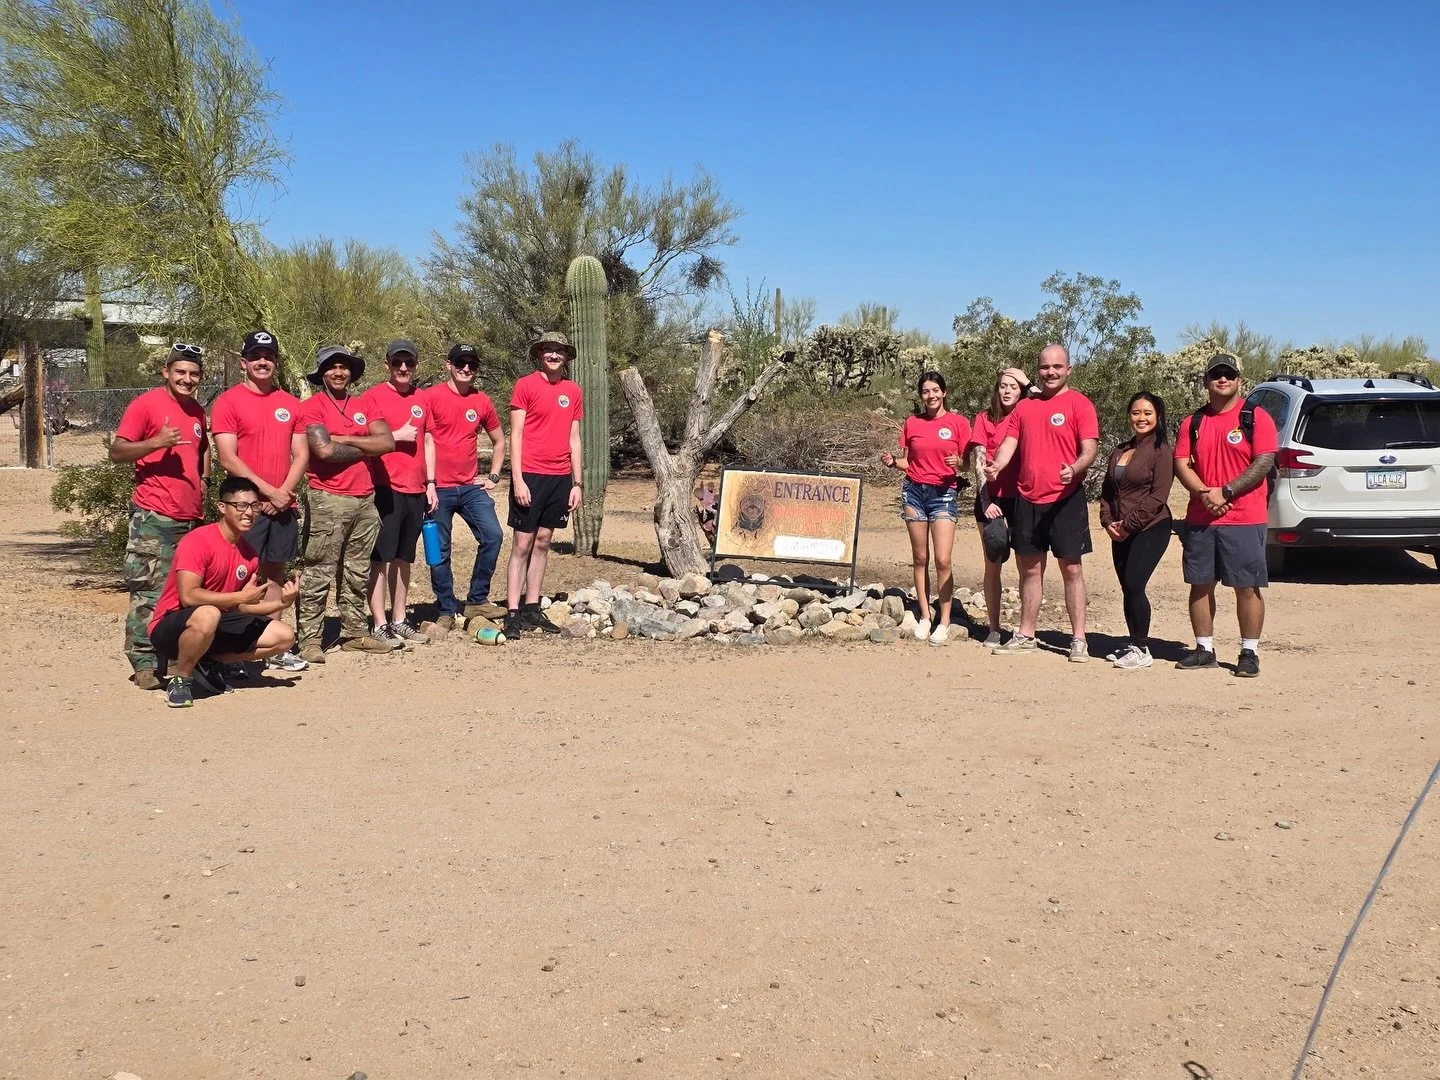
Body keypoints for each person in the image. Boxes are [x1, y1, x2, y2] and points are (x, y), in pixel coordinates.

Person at [985, 343, 1100, 661]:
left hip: (1065, 501)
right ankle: (1026, 634)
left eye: (1057, 367)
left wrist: (1075, 467)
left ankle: (1078, 639)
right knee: (1030, 570)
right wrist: (997, 465)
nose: (1051, 372)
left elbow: (1089, 448)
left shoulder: (1080, 404)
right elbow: (1009, 442)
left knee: (1072, 570)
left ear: (1068, 369)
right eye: (1045, 367)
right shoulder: (1025, 407)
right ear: (1038, 370)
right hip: (1027, 498)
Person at [148, 476, 300, 707]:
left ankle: (207, 661)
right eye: (240, 506)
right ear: (222, 507)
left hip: (214, 622)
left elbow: (242, 606)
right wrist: (239, 597)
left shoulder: (249, 553)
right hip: (172, 625)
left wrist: (282, 603)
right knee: (208, 613)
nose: (248, 513)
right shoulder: (198, 541)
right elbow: (189, 596)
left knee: (284, 636)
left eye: (254, 506)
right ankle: (181, 678)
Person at [209, 329, 309, 672]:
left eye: (268, 356)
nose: (261, 362)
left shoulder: (291, 404)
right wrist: (268, 492)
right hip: (244, 505)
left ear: (276, 362)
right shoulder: (228, 402)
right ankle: (235, 646)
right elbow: (228, 458)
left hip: (282, 505)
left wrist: (283, 494)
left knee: (275, 573)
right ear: (244, 362)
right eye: (255, 356)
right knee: (238, 575)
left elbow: (301, 454)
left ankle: (273, 646)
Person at [110, 344, 209, 690]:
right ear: (165, 371)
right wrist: (156, 443)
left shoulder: (197, 411)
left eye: (194, 374)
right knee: (149, 590)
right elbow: (118, 451)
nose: (187, 379)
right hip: (155, 517)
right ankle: (145, 663)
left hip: (189, 518)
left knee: (183, 593)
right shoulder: (146, 405)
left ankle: (175, 655)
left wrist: (205, 480)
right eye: (180, 372)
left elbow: (203, 447)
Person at [1172, 353, 1277, 678]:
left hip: (1244, 518)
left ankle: (1249, 652)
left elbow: (1263, 462)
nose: (1222, 379)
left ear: (1238, 379)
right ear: (1206, 380)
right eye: (1216, 374)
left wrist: (1226, 492)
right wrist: (1205, 494)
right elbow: (1180, 463)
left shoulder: (1256, 417)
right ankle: (1204, 648)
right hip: (1202, 518)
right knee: (1200, 584)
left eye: (1228, 374)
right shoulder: (1193, 422)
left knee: (1246, 586)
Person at [294, 346, 397, 662]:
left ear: (352, 372)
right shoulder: (312, 407)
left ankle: (355, 632)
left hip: (365, 500)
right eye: (331, 367)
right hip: (327, 499)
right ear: (321, 373)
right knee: (319, 570)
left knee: (357, 571)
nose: (338, 373)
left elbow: (388, 442)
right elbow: (323, 452)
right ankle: (309, 639)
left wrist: (345, 439)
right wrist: (367, 446)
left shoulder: (366, 404)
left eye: (344, 367)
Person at [880, 371, 970, 644]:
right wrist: (893, 461)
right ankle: (924, 616)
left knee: (943, 560)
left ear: (944, 392)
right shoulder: (912, 423)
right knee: (920, 558)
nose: (930, 395)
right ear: (921, 395)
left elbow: (967, 463)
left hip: (943, 494)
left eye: (935, 390)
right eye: (925, 391)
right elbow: (910, 462)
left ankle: (944, 620)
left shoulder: (959, 423)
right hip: (914, 493)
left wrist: (961, 464)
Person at [422, 342, 507, 631]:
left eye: (472, 365)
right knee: (438, 550)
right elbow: (422, 439)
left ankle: (476, 600)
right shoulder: (430, 396)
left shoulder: (482, 401)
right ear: (448, 364)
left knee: (493, 536)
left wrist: (493, 476)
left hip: (471, 487)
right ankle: (445, 608)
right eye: (460, 363)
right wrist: (427, 482)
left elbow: (499, 440)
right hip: (437, 489)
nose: (466, 369)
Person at [505, 331, 583, 637]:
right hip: (531, 475)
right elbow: (516, 435)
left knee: (543, 541)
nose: (553, 355)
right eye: (548, 350)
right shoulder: (525, 385)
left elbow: (574, 438)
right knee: (522, 543)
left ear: (565, 356)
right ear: (540, 354)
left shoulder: (573, 391)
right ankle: (512, 611)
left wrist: (577, 482)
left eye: (559, 351)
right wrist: (518, 480)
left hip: (560, 477)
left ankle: (532, 608)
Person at [363, 340, 436, 646]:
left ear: (416, 365)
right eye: (397, 363)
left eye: (409, 363)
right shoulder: (373, 397)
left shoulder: (423, 398)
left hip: (416, 489)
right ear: (387, 365)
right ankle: (379, 623)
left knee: (404, 558)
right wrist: (396, 436)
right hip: (386, 488)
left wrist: (431, 483)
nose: (403, 369)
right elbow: (365, 438)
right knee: (381, 558)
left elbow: (429, 439)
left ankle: (399, 619)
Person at [1099, 392, 1175, 670]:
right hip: (1119, 529)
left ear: (1157, 417)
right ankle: (1132, 644)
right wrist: (1108, 521)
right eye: (1136, 413)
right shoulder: (1120, 450)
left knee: (1134, 583)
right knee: (1126, 588)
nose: (1141, 418)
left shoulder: (1162, 451)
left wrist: (1127, 525)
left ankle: (1142, 649)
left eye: (1147, 413)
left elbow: (1158, 497)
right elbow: (1107, 491)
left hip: (1151, 528)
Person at [969, 367, 1031, 648]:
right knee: (993, 560)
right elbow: (979, 459)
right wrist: (986, 501)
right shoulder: (984, 418)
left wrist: (1026, 380)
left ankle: (1023, 630)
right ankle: (993, 629)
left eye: (1014, 387)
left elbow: (1048, 398)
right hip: (990, 497)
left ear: (1022, 392)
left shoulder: (1029, 412)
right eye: (1003, 386)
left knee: (1024, 563)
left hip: (1021, 497)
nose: (1007, 391)